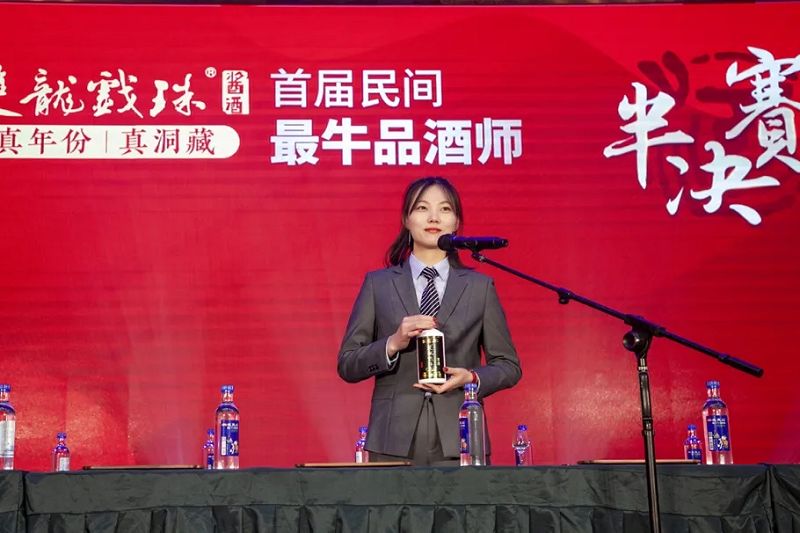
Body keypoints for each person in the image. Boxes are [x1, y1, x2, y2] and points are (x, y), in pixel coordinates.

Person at [337, 177, 522, 466]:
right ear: (406, 219)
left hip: (461, 438)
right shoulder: (378, 284)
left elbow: (508, 366)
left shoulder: (480, 287)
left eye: (445, 209)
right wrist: (392, 344)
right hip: (392, 440)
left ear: (456, 222)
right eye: (422, 208)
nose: (434, 217)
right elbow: (348, 364)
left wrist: (471, 379)